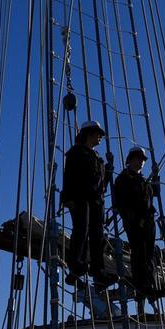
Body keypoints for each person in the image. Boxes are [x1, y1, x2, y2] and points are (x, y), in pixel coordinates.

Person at [62, 121, 113, 286]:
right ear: (89, 134)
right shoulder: (76, 153)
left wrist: (109, 169)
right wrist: (67, 198)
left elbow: (102, 185)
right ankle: (76, 266)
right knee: (81, 231)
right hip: (80, 197)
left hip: (96, 201)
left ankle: (98, 272)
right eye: (98, 134)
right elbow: (69, 176)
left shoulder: (98, 159)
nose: (100, 137)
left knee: (98, 237)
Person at [113, 146, 160, 298]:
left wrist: (155, 176)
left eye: (142, 160)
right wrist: (131, 217)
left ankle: (150, 285)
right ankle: (141, 284)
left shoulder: (143, 180)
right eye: (138, 158)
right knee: (140, 252)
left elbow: (155, 192)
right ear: (130, 160)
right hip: (135, 221)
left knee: (149, 253)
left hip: (148, 220)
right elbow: (120, 202)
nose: (141, 162)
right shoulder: (124, 178)